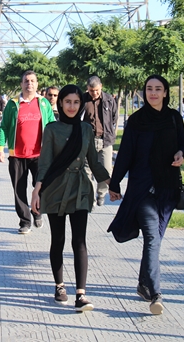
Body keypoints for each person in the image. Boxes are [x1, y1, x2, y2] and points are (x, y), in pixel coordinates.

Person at [108, 74, 184, 315]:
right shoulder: (136, 120)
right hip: (142, 190)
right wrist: (115, 183)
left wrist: (181, 154)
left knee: (156, 240)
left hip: (167, 189)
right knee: (152, 238)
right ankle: (156, 293)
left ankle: (143, 284)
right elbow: (125, 154)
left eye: (158, 89)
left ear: (165, 92)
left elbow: (182, 144)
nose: (153, 93)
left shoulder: (174, 118)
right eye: (149, 89)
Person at [30, 85, 110, 312]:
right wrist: (37, 190)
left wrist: (110, 182)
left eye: (76, 102)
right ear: (60, 103)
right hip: (55, 188)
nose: (72, 106)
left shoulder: (86, 129)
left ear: (81, 104)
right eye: (68, 102)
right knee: (58, 239)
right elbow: (45, 162)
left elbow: (93, 161)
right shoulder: (52, 129)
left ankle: (81, 294)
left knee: (79, 241)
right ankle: (59, 285)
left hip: (80, 188)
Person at [0, 70, 56, 234]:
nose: (29, 83)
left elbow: (52, 126)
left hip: (40, 156)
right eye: (26, 81)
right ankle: (24, 221)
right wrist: (0, 149)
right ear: (21, 84)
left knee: (42, 187)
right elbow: (4, 127)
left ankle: (37, 212)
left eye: (32, 81)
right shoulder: (13, 104)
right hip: (17, 156)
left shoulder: (43, 103)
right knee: (19, 190)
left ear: (37, 84)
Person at [82, 76, 117, 207]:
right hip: (88, 141)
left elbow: (114, 117)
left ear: (101, 87)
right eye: (91, 90)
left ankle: (101, 193)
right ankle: (90, 197)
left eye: (96, 90)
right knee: (87, 171)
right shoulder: (83, 100)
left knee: (106, 170)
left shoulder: (109, 99)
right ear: (87, 89)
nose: (94, 93)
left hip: (105, 140)